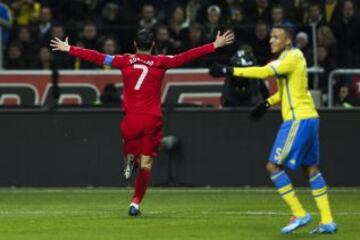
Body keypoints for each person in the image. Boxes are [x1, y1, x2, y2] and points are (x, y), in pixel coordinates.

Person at [50, 28, 234, 216]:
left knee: (132, 150)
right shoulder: (161, 61)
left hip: (131, 119)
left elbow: (98, 57)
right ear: (153, 45)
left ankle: (129, 157)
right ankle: (135, 203)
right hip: (152, 119)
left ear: (135, 45)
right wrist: (214, 45)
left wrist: (69, 48)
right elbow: (186, 56)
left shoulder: (124, 60)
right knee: (147, 164)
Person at [209, 25, 337, 234]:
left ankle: (299, 213)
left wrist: (228, 70)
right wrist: (267, 103)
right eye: (271, 37)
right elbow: (288, 90)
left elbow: (264, 72)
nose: (271, 40)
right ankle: (328, 220)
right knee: (311, 169)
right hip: (310, 117)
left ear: (288, 41)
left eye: (276, 37)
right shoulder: (289, 58)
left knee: (273, 166)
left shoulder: (292, 56)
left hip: (298, 120)